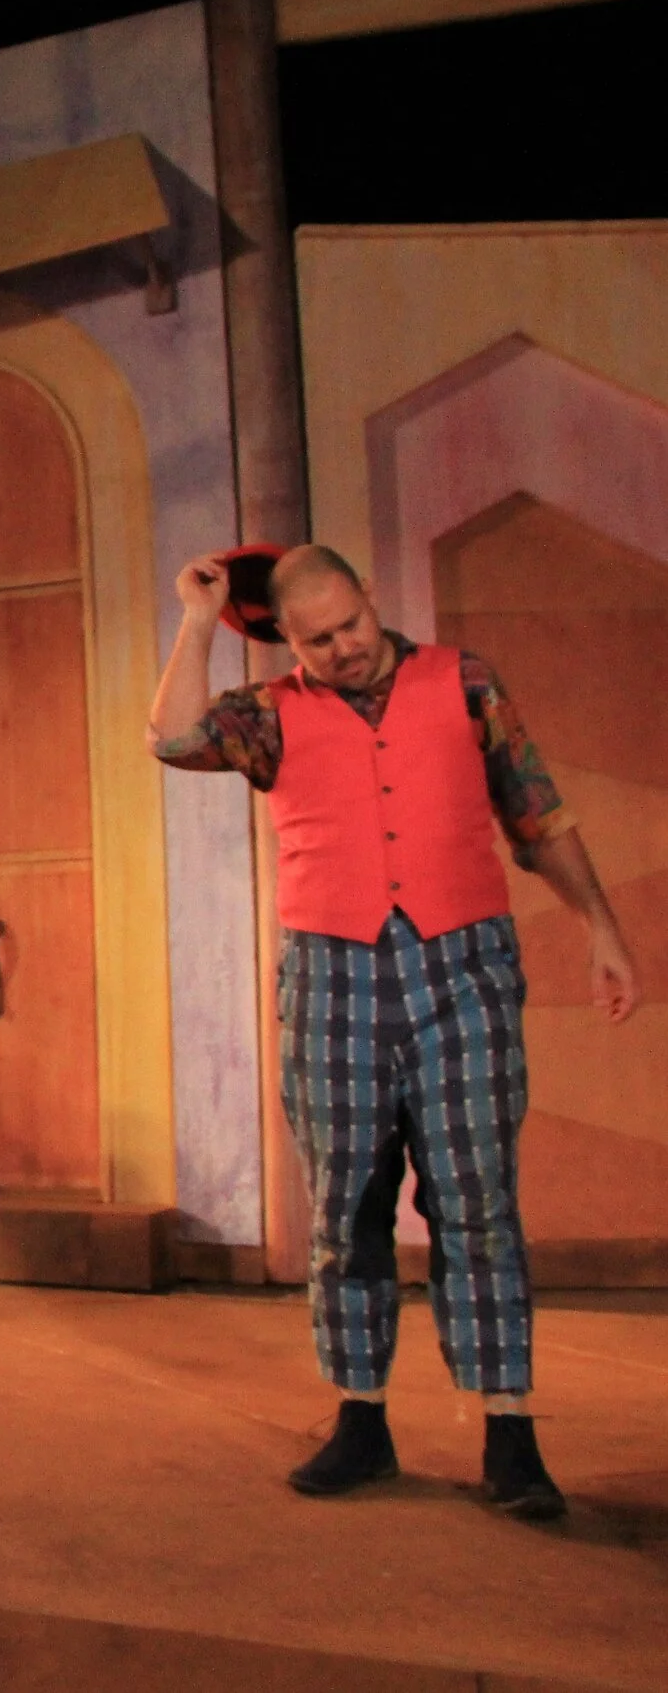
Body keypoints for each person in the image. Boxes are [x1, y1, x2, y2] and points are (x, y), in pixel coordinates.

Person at [148, 544, 640, 1520]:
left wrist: (602, 928)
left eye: (352, 625)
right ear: (287, 641)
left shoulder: (463, 682)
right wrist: (200, 619)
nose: (343, 648)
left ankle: (509, 1434)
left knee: (477, 1197)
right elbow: (171, 738)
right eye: (317, 640)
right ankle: (361, 1419)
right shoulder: (269, 715)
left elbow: (536, 813)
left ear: (371, 598)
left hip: (464, 965)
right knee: (346, 1204)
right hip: (333, 974)